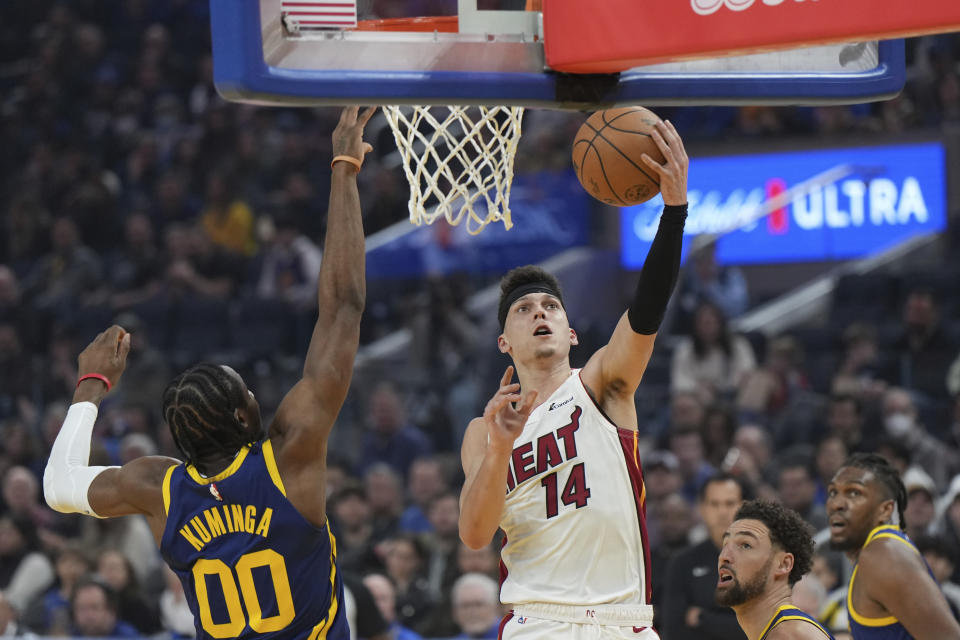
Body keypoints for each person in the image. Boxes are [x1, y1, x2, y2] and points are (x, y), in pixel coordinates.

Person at [42, 106, 377, 640]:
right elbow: (343, 307)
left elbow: (58, 488)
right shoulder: (288, 457)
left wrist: (91, 387)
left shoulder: (160, 486)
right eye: (245, 389)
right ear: (247, 413)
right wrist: (343, 167)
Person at [459, 119, 688, 638]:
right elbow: (474, 535)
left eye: (551, 306)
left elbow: (647, 312)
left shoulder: (602, 382)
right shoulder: (483, 430)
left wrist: (674, 213)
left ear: (572, 333)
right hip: (538, 620)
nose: (539, 312)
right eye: (523, 309)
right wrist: (499, 448)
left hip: (625, 620)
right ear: (504, 343)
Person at [826, 453, 960, 640]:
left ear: (885, 510)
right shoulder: (875, 555)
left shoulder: (885, 555)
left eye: (854, 493)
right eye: (833, 492)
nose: (837, 504)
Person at [716, 500, 834, 640]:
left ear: (783, 564)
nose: (724, 557)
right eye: (725, 544)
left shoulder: (790, 635)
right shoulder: (778, 630)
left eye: (745, 545)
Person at [662, 473, 748, 640]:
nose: (722, 512)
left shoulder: (762, 560)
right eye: (714, 504)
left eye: (729, 503)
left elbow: (764, 628)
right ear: (702, 508)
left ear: (744, 507)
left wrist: (703, 619)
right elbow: (673, 630)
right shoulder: (682, 563)